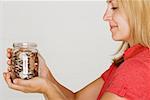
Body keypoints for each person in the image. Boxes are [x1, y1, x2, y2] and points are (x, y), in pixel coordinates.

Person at [3, 0, 150, 99]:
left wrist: (46, 88)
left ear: (138, 10)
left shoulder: (137, 69)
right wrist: (45, 76)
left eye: (114, 7)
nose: (105, 16)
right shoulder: (128, 61)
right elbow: (76, 99)